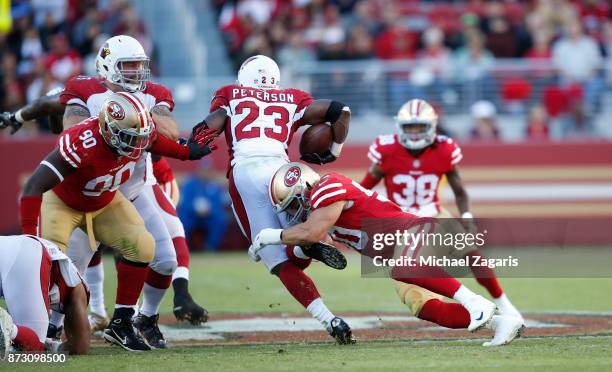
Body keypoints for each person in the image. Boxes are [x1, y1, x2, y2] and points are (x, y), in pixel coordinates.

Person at [2, 34, 210, 344]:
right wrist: (20, 115)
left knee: (152, 250)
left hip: (125, 191)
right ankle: (48, 324)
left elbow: (161, 137)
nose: (136, 73)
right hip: (75, 195)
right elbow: (59, 126)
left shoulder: (148, 110)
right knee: (65, 269)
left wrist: (189, 149)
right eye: (128, 66)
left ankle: (129, 320)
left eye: (140, 66)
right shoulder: (83, 129)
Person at [250, 162, 525, 347]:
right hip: (400, 250)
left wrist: (269, 237)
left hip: (412, 231)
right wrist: (300, 249)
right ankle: (501, 323)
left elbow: (311, 231)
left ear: (307, 188)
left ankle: (476, 302)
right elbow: (313, 249)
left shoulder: (328, 186)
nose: (293, 212)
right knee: (426, 309)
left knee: (403, 266)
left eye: (294, 203)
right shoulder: (324, 214)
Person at [197, 55, 354, 344]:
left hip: (245, 173)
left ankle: (329, 319)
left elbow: (212, 124)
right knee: (299, 240)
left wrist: (193, 142)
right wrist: (333, 150)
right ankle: (307, 250)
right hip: (283, 172)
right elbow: (340, 110)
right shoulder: (292, 97)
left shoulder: (230, 92)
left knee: (278, 262)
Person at [360, 99, 523, 328]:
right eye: (410, 127)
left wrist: (467, 217)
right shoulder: (386, 151)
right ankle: (489, 318)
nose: (415, 133)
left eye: (420, 127)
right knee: (413, 291)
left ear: (432, 126)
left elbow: (460, 191)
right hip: (399, 223)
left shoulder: (444, 149)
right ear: (400, 127)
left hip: (434, 212)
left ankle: (503, 302)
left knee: (472, 253)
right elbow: (363, 189)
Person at [0, 235, 89, 356]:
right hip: (25, 256)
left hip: (13, 247)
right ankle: (7, 328)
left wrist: (52, 346)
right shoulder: (77, 290)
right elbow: (80, 347)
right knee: (34, 350)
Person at [177, 159, 229, 252]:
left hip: (209, 216)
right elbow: (185, 203)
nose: (205, 173)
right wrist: (195, 209)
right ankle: (182, 248)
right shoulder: (190, 184)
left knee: (220, 219)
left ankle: (210, 248)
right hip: (192, 215)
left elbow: (218, 204)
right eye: (203, 170)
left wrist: (208, 210)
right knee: (182, 218)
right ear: (199, 171)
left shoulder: (215, 185)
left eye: (208, 170)